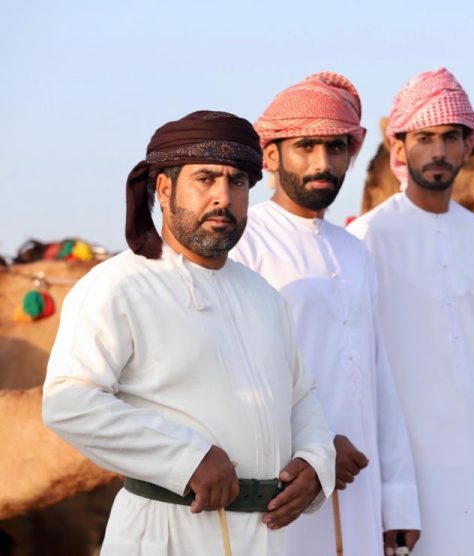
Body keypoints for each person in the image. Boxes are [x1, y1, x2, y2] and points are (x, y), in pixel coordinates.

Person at [42, 110, 336, 555]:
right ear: (164, 189)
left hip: (266, 537)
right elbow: (69, 401)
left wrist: (315, 462)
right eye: (205, 179)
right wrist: (188, 457)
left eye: (238, 182)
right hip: (165, 532)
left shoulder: (263, 296)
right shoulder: (118, 286)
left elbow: (300, 396)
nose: (224, 197)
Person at [347, 68, 474, 555]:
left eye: (450, 137)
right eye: (425, 138)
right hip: (406, 470)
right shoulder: (368, 238)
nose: (439, 151)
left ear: (467, 146)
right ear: (400, 146)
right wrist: (389, 493)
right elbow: (360, 370)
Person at [231, 72, 421, 556]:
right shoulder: (244, 242)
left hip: (360, 484)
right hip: (281, 480)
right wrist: (315, 448)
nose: (323, 162)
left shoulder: (354, 251)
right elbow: (235, 373)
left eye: (336, 147)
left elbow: (379, 378)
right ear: (271, 155)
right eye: (306, 146)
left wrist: (398, 501)